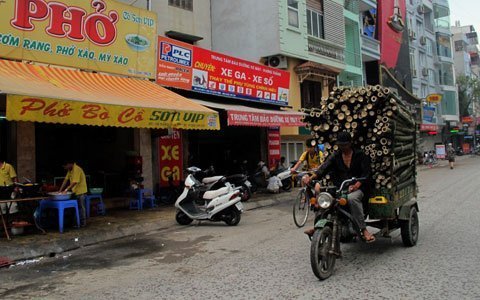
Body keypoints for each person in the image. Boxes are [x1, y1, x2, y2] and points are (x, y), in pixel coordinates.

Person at [304, 132, 375, 243]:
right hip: (340, 188)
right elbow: (324, 168)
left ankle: (363, 229)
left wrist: (357, 184)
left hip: (359, 188)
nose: (343, 147)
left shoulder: (360, 155)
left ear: (350, 144)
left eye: (345, 145)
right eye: (340, 145)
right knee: (324, 198)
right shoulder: (336, 156)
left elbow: (367, 173)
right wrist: (312, 177)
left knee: (352, 198)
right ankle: (318, 226)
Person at [59, 160, 88, 227]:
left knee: (81, 207)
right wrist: (60, 190)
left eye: (65, 166)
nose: (65, 168)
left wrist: (66, 190)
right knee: (76, 208)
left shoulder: (77, 169)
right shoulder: (70, 170)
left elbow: (75, 182)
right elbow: (65, 180)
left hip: (81, 191)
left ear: (69, 164)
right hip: (75, 192)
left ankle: (83, 223)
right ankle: (76, 222)